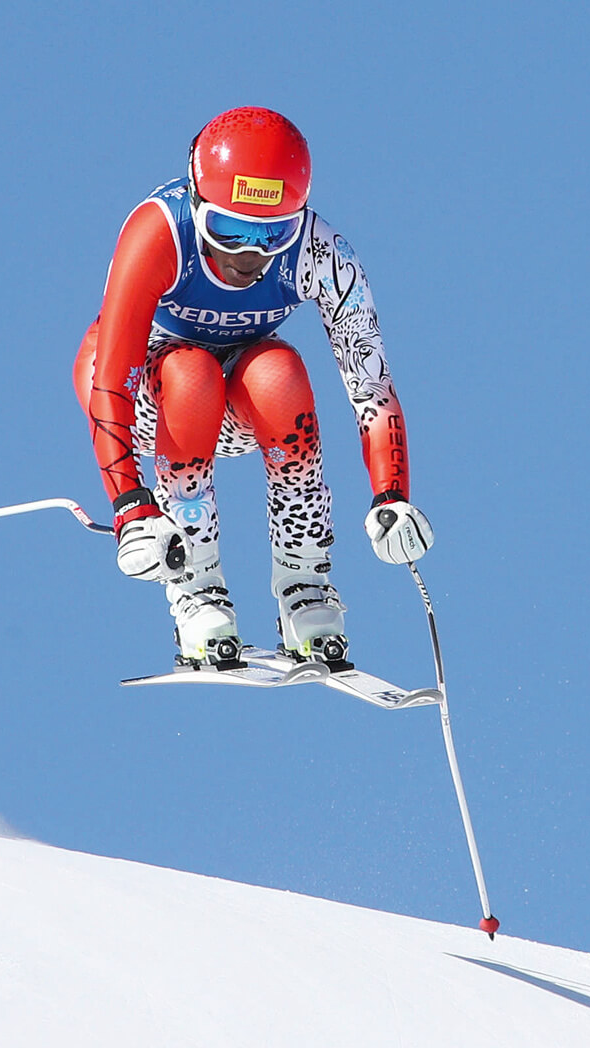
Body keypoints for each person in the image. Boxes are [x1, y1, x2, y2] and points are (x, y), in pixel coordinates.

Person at [74, 107, 434, 669]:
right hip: (145, 399)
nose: (250, 255)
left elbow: (372, 389)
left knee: (280, 373)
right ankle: (194, 584)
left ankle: (305, 581)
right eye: (230, 231)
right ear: (197, 205)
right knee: (188, 372)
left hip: (233, 407)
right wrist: (130, 506)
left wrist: (391, 496)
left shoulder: (321, 253)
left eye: (273, 233)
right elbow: (111, 380)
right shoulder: (158, 232)